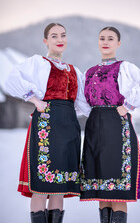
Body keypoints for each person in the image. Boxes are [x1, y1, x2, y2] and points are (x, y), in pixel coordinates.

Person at [5, 23, 86, 223]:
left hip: (69, 130)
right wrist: (34, 100)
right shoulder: (37, 63)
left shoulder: (74, 71)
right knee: (41, 184)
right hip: (46, 126)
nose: (60, 39)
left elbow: (85, 104)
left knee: (59, 186)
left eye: (63, 35)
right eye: (54, 36)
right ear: (46, 41)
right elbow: (11, 81)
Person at [80, 26, 140, 223]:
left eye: (110, 38)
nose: (105, 42)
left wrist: (129, 105)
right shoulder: (89, 72)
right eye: (102, 38)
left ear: (118, 43)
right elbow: (81, 101)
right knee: (100, 187)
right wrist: (94, 114)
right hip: (94, 129)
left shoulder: (124, 68)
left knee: (117, 188)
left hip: (117, 127)